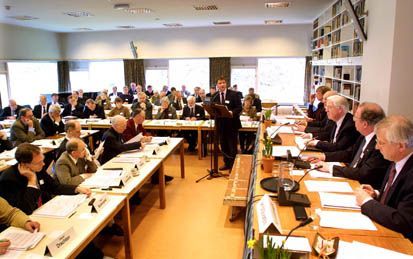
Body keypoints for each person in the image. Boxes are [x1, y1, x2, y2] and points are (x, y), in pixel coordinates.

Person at [355, 115, 413, 241]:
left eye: (381, 143)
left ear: (401, 146)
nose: (376, 147)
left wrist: (367, 202)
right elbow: (398, 198)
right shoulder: (396, 159)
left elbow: (403, 221)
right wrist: (376, 194)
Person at [311, 102, 390, 189]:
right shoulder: (364, 136)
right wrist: (324, 156)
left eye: (356, 117)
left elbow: (363, 173)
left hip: (360, 187)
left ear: (365, 124)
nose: (353, 119)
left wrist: (330, 168)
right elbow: (349, 153)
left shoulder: (379, 145)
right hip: (350, 179)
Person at [0, 143, 91, 215]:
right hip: (29, 218)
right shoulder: (8, 179)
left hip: (47, 210)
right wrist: (31, 181)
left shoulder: (38, 168)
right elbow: (24, 209)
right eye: (39, 162)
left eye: (42, 160)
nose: (43, 164)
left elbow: (54, 187)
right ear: (24, 165)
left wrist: (76, 189)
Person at [212, 77, 242, 171]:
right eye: (220, 83)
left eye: (223, 82)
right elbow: (213, 109)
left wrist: (232, 112)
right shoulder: (215, 96)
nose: (222, 84)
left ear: (226, 84)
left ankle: (233, 165)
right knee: (223, 145)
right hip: (221, 125)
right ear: (217, 85)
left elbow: (239, 108)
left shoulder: (234, 94)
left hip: (232, 124)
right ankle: (227, 163)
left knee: (232, 146)